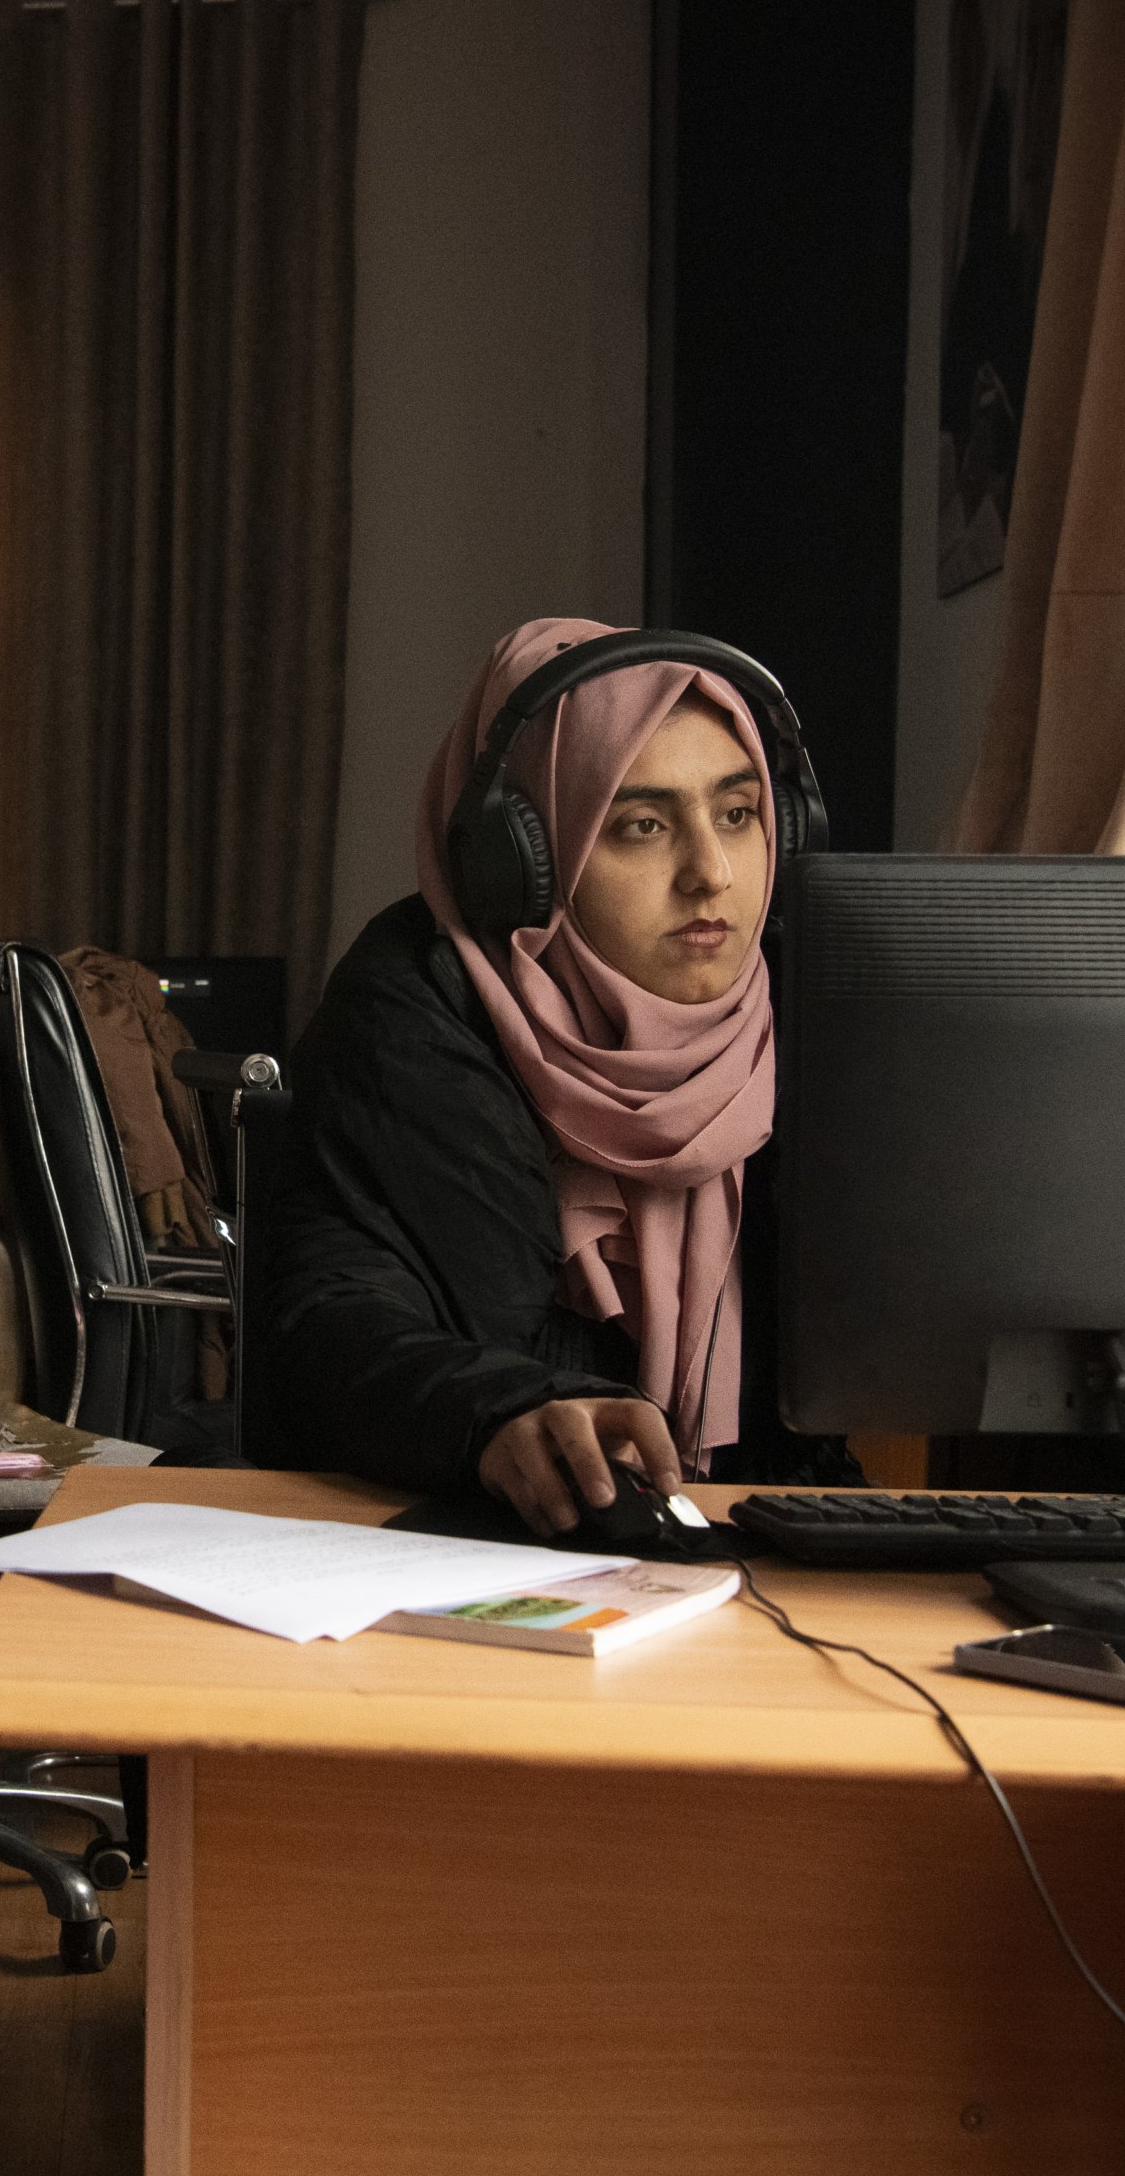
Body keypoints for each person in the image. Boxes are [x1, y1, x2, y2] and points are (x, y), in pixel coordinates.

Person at [251, 617, 858, 1531]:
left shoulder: (812, 1011)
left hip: (765, 1548)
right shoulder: (419, 1004)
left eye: (738, 814)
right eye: (643, 826)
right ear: (523, 864)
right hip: (492, 1546)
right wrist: (499, 1409)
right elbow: (337, 1318)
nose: (712, 873)